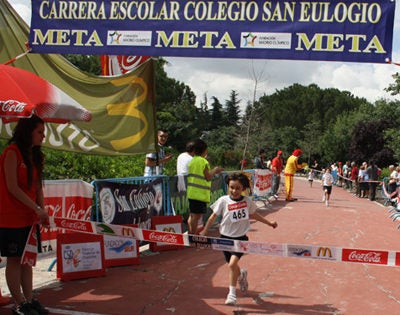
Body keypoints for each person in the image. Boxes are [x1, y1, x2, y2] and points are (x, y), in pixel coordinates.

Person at [200, 172, 277, 305]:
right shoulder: (223, 200)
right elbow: (212, 217)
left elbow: (254, 215)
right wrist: (205, 231)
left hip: (241, 239)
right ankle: (241, 275)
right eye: (232, 187)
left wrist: (269, 223)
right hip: (224, 239)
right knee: (233, 266)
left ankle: (231, 294)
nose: (234, 191)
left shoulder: (247, 201)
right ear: (228, 187)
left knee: (231, 264)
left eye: (238, 188)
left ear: (243, 189)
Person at [0, 115, 50, 315]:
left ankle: (29, 299)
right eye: (39, 132)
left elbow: (37, 187)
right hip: (11, 216)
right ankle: (19, 302)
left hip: (30, 218)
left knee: (28, 260)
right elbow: (12, 187)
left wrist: (42, 209)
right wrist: (35, 208)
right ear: (27, 131)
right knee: (14, 259)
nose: (43, 136)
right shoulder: (12, 153)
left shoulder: (35, 155)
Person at [186, 139, 224, 234]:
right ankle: (192, 236)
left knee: (192, 215)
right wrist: (215, 170)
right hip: (200, 194)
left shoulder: (192, 161)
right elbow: (208, 177)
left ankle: (191, 234)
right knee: (196, 216)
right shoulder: (203, 162)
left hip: (192, 192)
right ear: (204, 150)